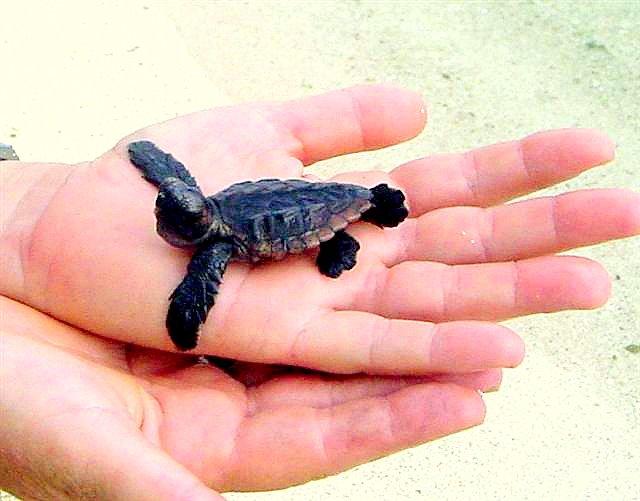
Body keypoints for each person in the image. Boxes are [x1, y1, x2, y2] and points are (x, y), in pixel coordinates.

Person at [0, 85, 638, 500]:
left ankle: (353, 228)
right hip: (268, 205)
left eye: (180, 210)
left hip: (313, 217)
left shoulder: (215, 244)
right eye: (173, 205)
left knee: (326, 241)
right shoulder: (201, 214)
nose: (173, 212)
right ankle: (356, 220)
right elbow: (170, 175)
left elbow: (198, 290)